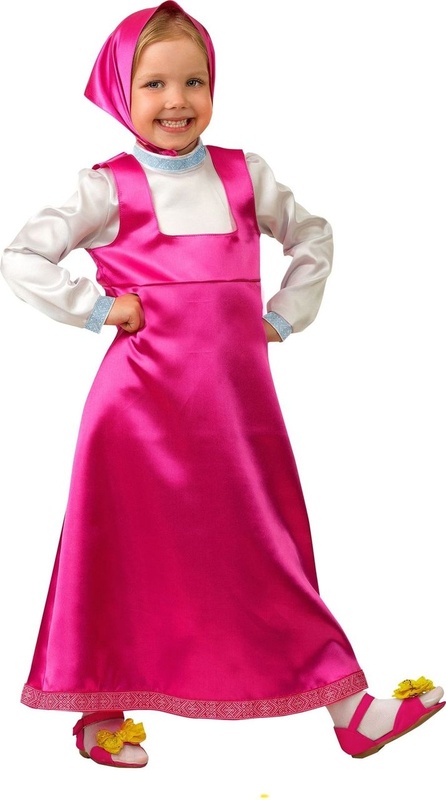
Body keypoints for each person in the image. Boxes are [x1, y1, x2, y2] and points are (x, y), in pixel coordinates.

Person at [1, 1, 443, 769]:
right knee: (122, 554)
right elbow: (22, 256)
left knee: (269, 548)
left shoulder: (245, 174)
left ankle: (348, 708)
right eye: (154, 84)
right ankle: (100, 710)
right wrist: (98, 308)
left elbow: (314, 235)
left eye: (194, 82)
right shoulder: (107, 187)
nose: (177, 101)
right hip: (135, 416)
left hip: (239, 416)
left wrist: (283, 316)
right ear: (120, 92)